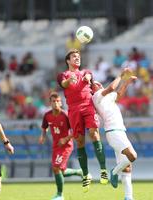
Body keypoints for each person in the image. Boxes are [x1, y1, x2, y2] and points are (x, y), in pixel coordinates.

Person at [57, 49, 107, 192]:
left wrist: (87, 78)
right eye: (74, 57)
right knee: (79, 141)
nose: (77, 58)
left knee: (94, 133)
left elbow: (89, 76)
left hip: (87, 105)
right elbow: (64, 84)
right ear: (68, 60)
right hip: (73, 109)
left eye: (78, 57)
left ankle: (103, 170)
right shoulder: (63, 75)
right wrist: (69, 80)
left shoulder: (86, 72)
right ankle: (86, 175)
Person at [91, 68, 137, 200]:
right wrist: (120, 75)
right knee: (132, 156)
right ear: (93, 90)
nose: (98, 84)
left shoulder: (107, 97)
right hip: (113, 132)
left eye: (99, 83)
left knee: (127, 167)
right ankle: (114, 171)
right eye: (95, 84)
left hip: (120, 131)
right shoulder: (96, 97)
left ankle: (128, 197)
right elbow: (111, 88)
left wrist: (127, 83)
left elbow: (119, 94)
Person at [39, 92, 83, 200]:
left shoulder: (66, 115)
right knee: (60, 171)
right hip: (56, 146)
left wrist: (66, 139)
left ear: (61, 103)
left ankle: (59, 194)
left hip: (66, 146)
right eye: (53, 101)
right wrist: (43, 136)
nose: (56, 103)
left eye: (58, 101)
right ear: (50, 103)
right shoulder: (47, 115)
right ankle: (79, 172)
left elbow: (76, 130)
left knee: (56, 168)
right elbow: (44, 127)